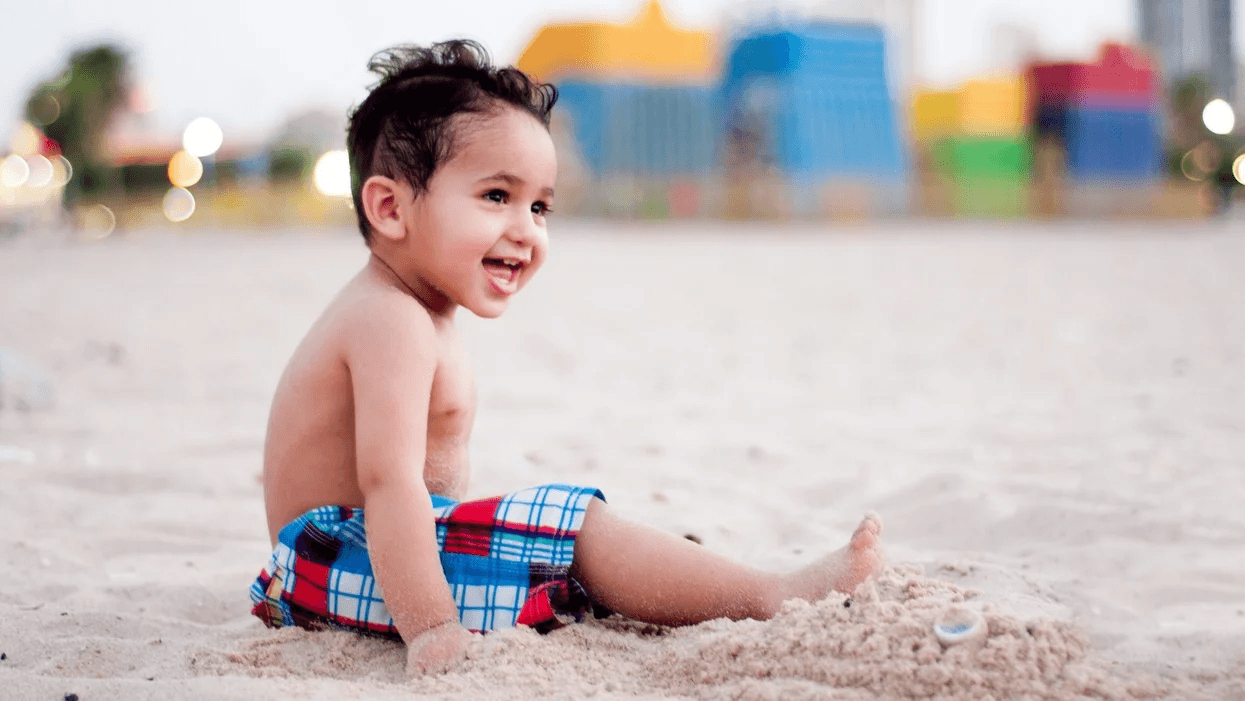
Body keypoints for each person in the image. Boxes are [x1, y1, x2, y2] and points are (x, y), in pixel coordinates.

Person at [249, 39, 884, 677]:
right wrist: (433, 628)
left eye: (540, 206)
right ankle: (771, 596)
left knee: (565, 542)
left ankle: (654, 577)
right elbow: (389, 483)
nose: (526, 227)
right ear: (390, 208)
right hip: (333, 559)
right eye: (497, 196)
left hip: (344, 565)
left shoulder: (410, 311)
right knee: (574, 527)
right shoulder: (391, 320)